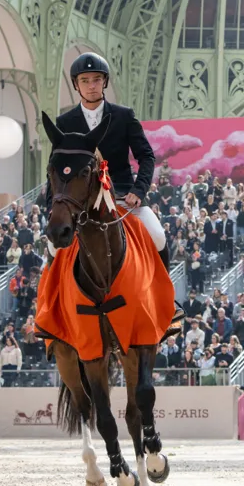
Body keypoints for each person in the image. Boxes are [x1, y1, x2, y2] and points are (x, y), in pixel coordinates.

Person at [50, 51, 184, 331]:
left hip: (122, 195)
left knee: (158, 235)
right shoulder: (64, 123)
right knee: (52, 245)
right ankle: (53, 309)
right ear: (76, 85)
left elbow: (146, 156)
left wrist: (138, 190)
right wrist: (58, 204)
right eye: (85, 80)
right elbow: (58, 167)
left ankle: (165, 303)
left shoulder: (123, 116)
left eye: (96, 80)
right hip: (81, 202)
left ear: (105, 82)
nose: (91, 86)